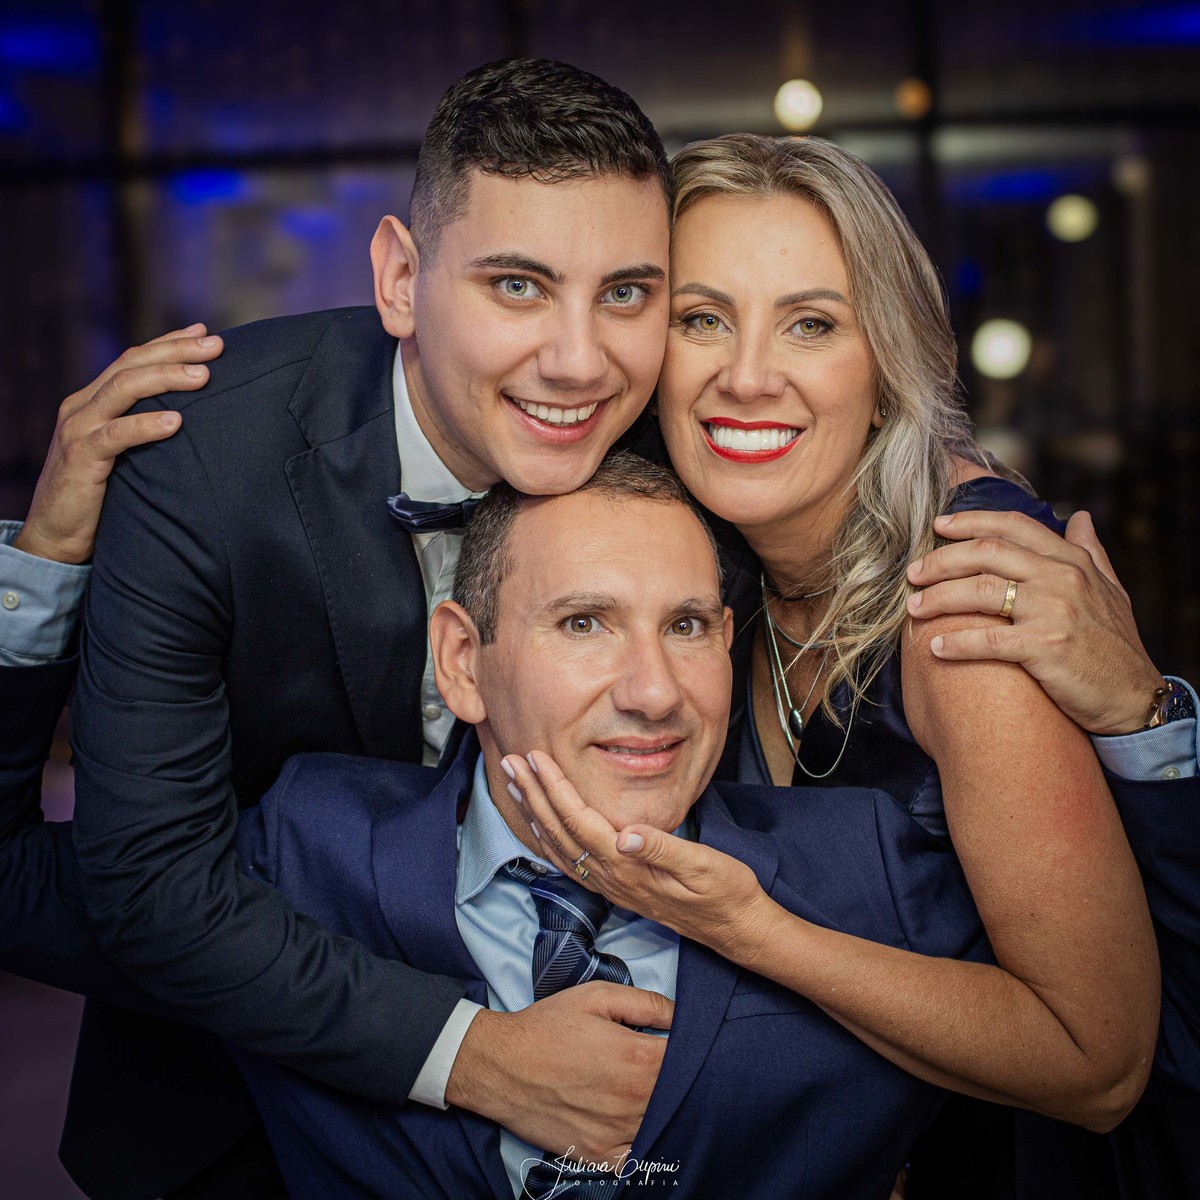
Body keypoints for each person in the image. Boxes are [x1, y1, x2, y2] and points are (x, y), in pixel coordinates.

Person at [2, 455, 1179, 1199]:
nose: (654, 692)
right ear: (462, 661)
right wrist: (41, 563)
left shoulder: (866, 873)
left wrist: (1144, 720)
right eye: (583, 623)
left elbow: (1126, 1043)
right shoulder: (307, 851)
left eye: (686, 626)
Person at [7, 58, 677, 1200]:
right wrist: (479, 1056)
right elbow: (148, 886)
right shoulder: (204, 461)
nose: (580, 360)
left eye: (625, 293)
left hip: (632, 1110)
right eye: (519, 286)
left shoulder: (677, 451)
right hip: (243, 1109)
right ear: (402, 280)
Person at [507, 134, 1199, 1197]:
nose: (746, 376)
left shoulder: (965, 603)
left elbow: (1096, 1064)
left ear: (886, 369)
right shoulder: (707, 560)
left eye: (812, 323)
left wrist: (751, 930)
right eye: (702, 318)